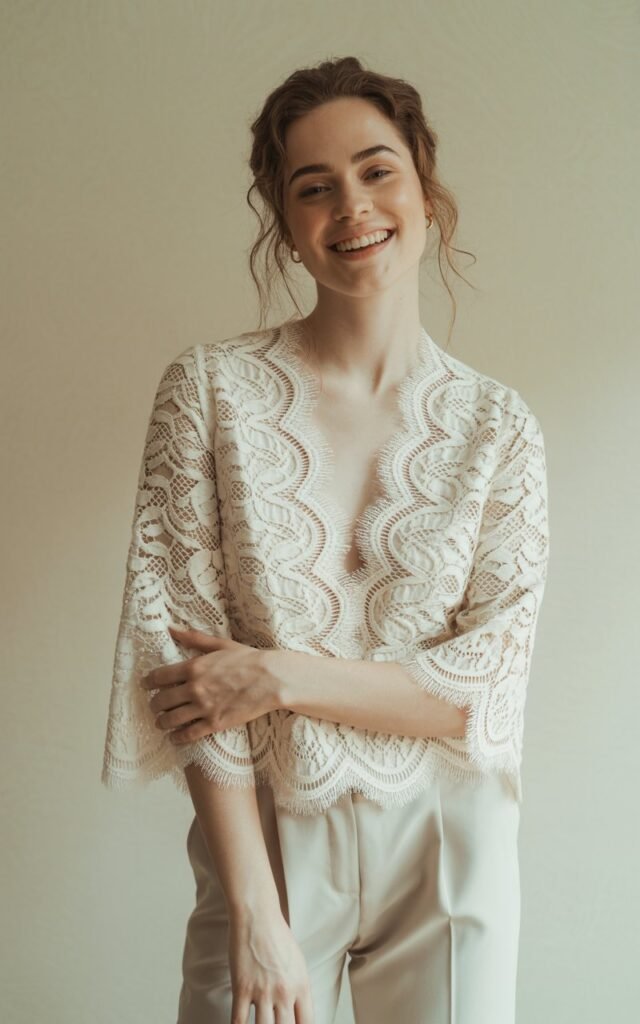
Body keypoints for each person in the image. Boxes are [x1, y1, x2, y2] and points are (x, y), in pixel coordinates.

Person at [101, 56, 550, 1024]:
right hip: (262, 835)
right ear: (284, 217)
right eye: (314, 186)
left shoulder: (498, 425)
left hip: (448, 840)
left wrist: (276, 676)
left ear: (424, 186)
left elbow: (481, 693)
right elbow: (184, 673)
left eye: (376, 170)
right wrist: (256, 913)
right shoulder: (210, 391)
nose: (352, 206)